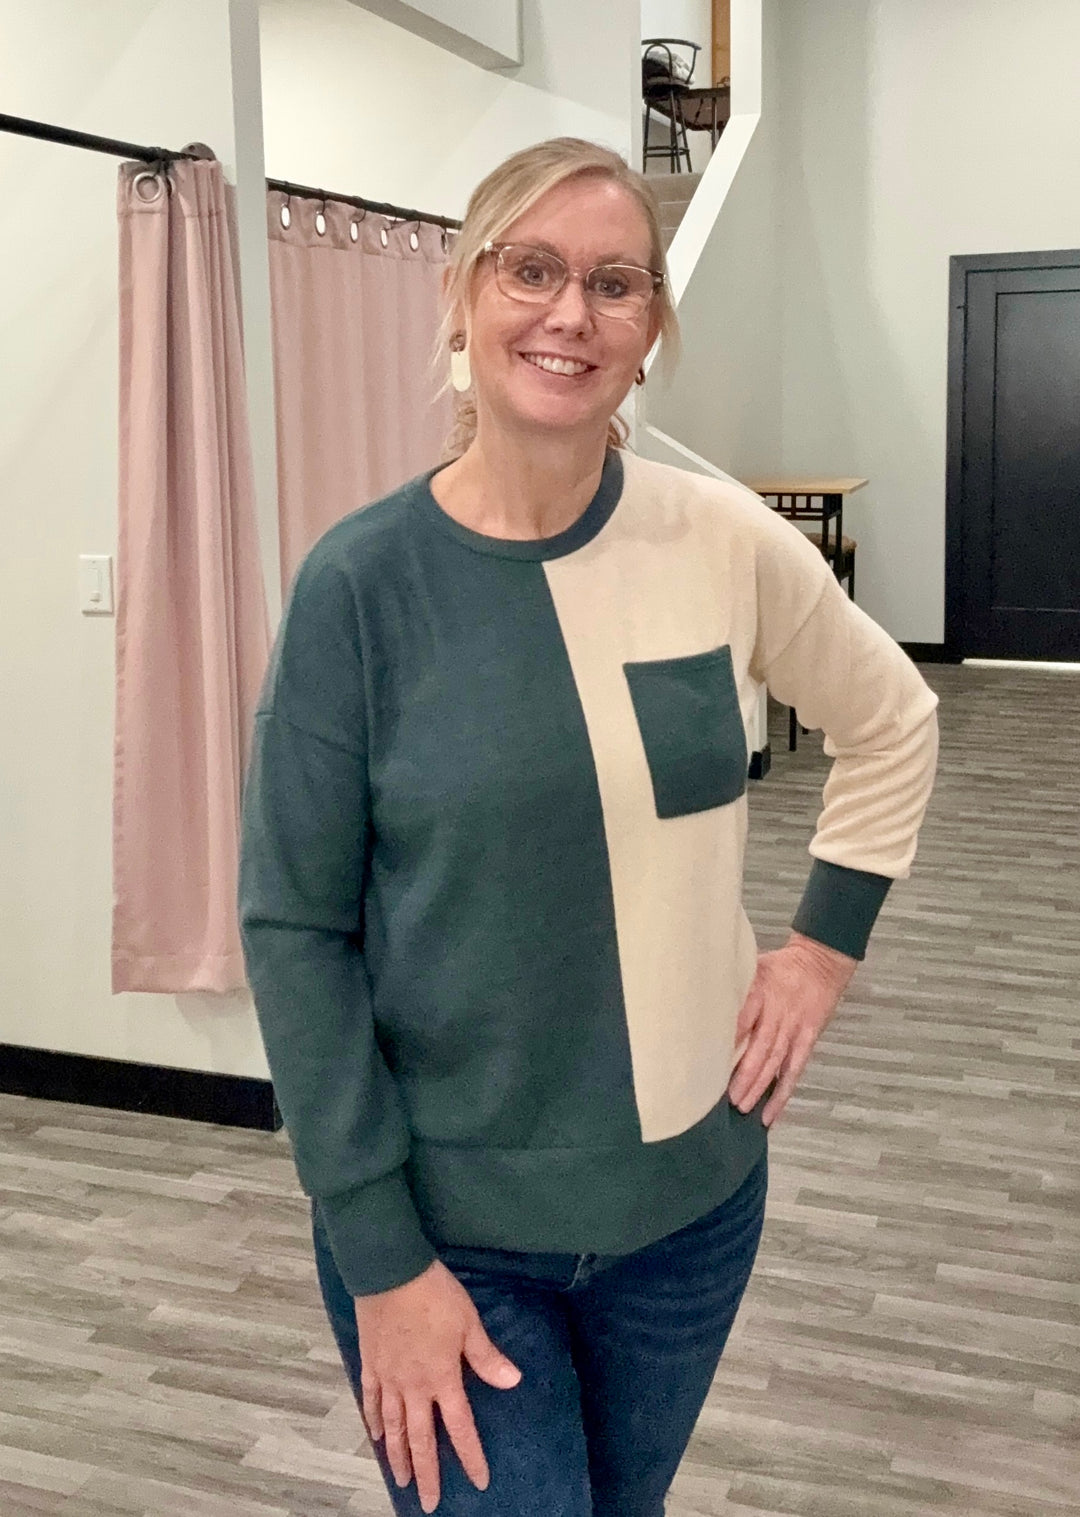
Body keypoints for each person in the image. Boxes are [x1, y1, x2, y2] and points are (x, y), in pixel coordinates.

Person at [237, 136, 939, 1517]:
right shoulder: (360, 587)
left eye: (617, 283)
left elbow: (894, 718)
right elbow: (294, 928)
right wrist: (379, 1256)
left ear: (650, 327)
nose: (572, 312)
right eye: (533, 270)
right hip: (449, 1237)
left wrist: (819, 956)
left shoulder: (719, 539)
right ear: (462, 293)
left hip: (691, 1218)